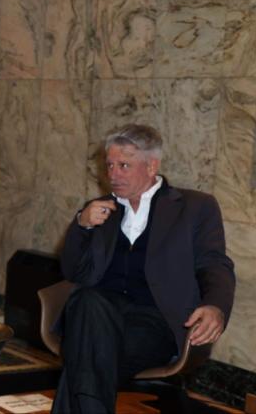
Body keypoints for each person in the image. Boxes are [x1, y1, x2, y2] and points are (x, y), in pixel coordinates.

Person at [51, 124, 236, 413]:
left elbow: (214, 263)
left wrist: (216, 306)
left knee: (87, 354)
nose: (113, 174)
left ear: (152, 166)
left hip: (154, 324)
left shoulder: (195, 207)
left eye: (124, 165)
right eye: (109, 165)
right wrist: (81, 225)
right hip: (98, 313)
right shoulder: (99, 209)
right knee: (88, 304)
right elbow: (73, 272)